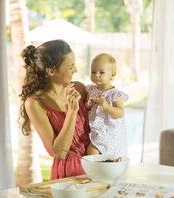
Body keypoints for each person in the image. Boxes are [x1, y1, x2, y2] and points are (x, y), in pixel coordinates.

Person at [19, 40, 90, 180]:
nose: (75, 70)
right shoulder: (35, 103)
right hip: (69, 176)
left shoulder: (79, 88)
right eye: (70, 67)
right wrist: (71, 112)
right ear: (51, 71)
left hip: (96, 166)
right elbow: (58, 153)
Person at [85, 53, 129, 156]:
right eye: (93, 72)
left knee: (109, 156)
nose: (96, 75)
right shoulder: (91, 90)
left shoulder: (115, 94)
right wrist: (89, 104)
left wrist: (107, 106)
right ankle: (97, 171)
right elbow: (86, 108)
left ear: (112, 75)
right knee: (92, 152)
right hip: (97, 132)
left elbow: (120, 113)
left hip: (111, 133)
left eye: (101, 72)